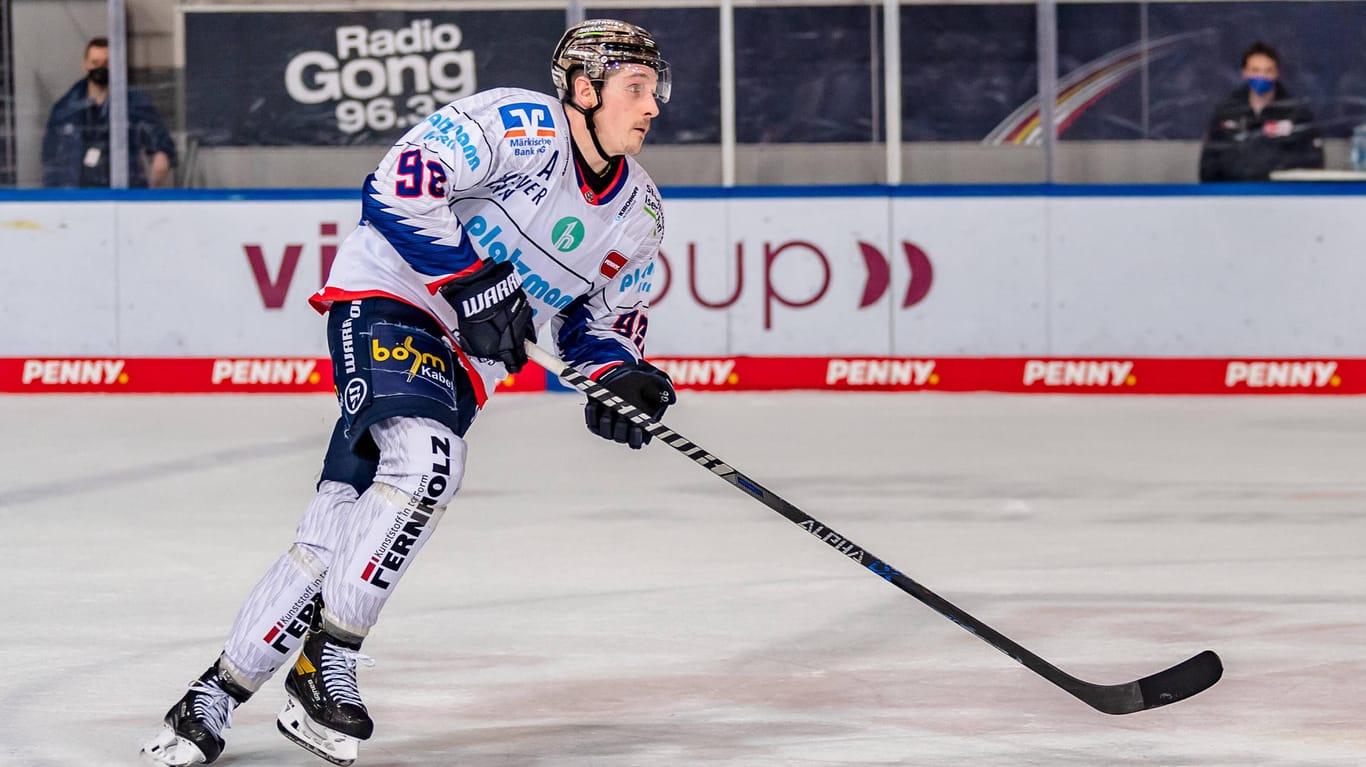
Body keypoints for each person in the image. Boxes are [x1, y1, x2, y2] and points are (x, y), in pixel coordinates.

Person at [140, 18, 677, 767]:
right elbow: (397, 185)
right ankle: (330, 656)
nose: (652, 106)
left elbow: (595, 321)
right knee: (429, 462)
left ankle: (211, 697)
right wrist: (471, 280)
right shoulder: (516, 125)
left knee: (340, 524)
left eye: (655, 90)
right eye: (636, 88)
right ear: (584, 90)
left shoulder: (639, 213)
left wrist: (617, 377)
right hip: (392, 300)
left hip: (465, 365)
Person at [41, 36, 176, 187]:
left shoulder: (134, 103)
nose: (101, 68)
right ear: (85, 64)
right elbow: (50, 159)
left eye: (107, 63)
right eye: (95, 63)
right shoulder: (66, 108)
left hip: (122, 191)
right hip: (77, 195)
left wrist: (161, 156)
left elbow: (159, 140)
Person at [1199, 41, 1323, 182]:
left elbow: (1313, 162)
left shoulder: (1296, 114)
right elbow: (1209, 162)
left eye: (1267, 71)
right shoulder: (1227, 113)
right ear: (1244, 72)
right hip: (1234, 195)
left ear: (1276, 73)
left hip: (1282, 196)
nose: (1261, 77)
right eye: (1255, 70)